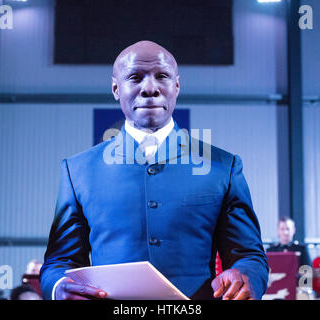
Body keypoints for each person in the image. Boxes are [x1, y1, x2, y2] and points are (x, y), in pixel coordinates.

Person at [40, 40, 269, 300]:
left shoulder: (223, 167)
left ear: (177, 86)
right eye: (135, 77)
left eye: (162, 76)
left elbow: (250, 256)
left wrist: (245, 275)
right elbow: (59, 261)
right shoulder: (77, 171)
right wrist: (60, 288)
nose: (150, 88)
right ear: (116, 88)